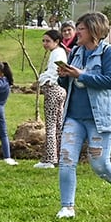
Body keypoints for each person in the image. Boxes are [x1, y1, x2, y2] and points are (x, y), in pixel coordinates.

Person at [54, 11, 111, 219]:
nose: (76, 32)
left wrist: (81, 75)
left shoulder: (109, 53)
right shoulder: (75, 52)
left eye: (81, 28)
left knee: (100, 165)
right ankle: (67, 207)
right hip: (73, 117)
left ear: (94, 30)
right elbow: (68, 84)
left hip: (100, 119)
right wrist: (63, 76)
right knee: (66, 159)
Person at [36, 28, 69, 168]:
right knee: (58, 125)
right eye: (43, 41)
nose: (45, 44)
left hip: (53, 90)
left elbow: (54, 73)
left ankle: (50, 159)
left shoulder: (57, 53)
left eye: (48, 41)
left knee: (50, 126)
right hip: (60, 91)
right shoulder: (59, 52)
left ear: (57, 41)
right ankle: (61, 156)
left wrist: (42, 79)